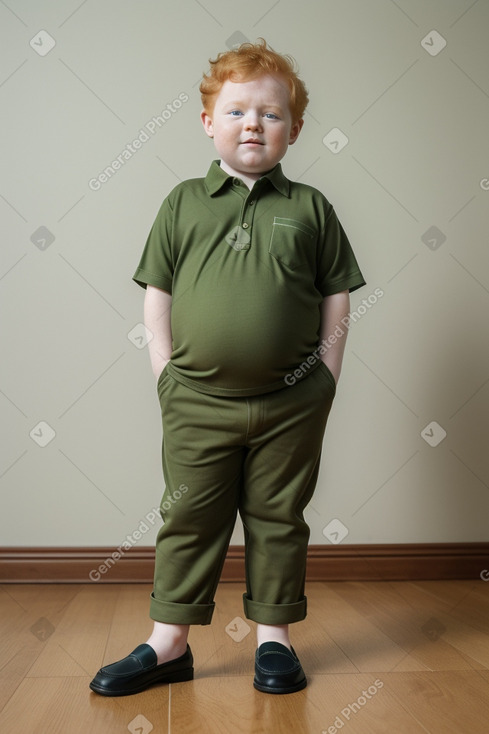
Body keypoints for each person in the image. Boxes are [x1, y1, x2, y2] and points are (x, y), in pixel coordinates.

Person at [90, 38, 365, 697]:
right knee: (188, 517)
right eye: (237, 111)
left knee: (278, 516)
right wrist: (164, 374)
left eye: (271, 115)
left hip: (290, 404)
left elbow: (336, 293)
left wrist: (324, 378)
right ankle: (169, 643)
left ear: (293, 130)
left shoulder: (309, 209)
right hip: (196, 400)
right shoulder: (183, 202)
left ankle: (274, 642)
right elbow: (157, 293)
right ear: (208, 120)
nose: (253, 125)